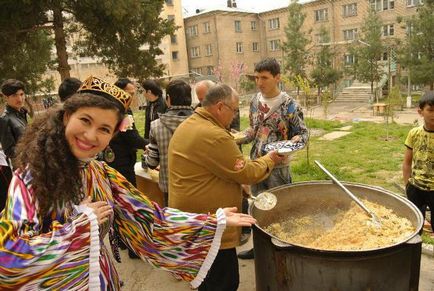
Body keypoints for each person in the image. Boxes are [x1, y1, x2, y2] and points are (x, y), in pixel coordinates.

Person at [0, 76, 256, 290]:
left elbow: (149, 220)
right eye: (85, 121)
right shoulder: (32, 179)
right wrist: (79, 229)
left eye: (104, 129)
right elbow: (8, 259)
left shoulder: (101, 173)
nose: (91, 135)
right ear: (67, 117)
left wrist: (212, 221)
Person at [168, 83, 285, 291]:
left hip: (195, 220)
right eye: (234, 109)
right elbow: (246, 172)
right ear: (220, 107)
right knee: (224, 282)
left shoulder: (193, 123)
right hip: (210, 226)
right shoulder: (213, 135)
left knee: (209, 279)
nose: (234, 115)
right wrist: (270, 159)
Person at [237, 58, 308, 260]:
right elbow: (254, 130)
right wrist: (239, 137)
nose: (259, 82)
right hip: (258, 166)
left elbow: (303, 135)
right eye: (257, 78)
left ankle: (284, 247)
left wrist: (294, 142)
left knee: (282, 207)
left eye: (264, 78)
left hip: (278, 168)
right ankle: (259, 248)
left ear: (277, 78)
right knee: (258, 207)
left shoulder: (289, 105)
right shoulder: (254, 101)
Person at [105, 78, 148, 259]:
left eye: (133, 93)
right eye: (129, 93)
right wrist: (149, 144)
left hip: (120, 161)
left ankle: (123, 241)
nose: (131, 96)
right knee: (128, 204)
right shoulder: (119, 111)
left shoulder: (116, 108)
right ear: (120, 92)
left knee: (118, 203)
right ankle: (132, 246)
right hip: (120, 164)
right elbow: (132, 138)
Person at [145, 79, 194, 206]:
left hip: (170, 188)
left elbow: (151, 163)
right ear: (190, 98)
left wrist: (147, 155)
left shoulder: (156, 126)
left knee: (176, 224)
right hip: (198, 187)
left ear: (168, 99)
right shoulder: (202, 122)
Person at [402, 91, 434, 234]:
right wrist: (407, 185)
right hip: (416, 188)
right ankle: (414, 254)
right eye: (431, 110)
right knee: (415, 227)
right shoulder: (414, 133)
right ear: (420, 112)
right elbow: (407, 162)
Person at [0, 79, 28, 165]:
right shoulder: (5, 119)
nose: (19, 99)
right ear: (6, 97)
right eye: (14, 95)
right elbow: (9, 151)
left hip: (32, 163)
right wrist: (30, 148)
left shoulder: (22, 112)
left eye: (21, 94)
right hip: (22, 167)